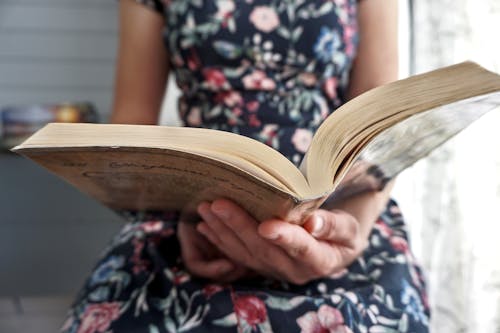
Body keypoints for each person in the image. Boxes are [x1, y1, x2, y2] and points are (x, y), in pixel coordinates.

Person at [61, 0, 430, 332]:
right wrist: (187, 216)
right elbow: (132, 124)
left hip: (339, 210)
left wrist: (350, 236)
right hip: (195, 219)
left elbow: (381, 123)